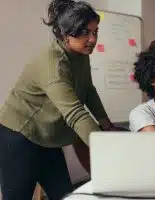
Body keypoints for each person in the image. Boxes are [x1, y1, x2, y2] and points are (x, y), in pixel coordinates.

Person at [0, 0, 121, 199]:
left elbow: (88, 90)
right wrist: (106, 150)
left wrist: (105, 123)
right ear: (65, 34)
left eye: (95, 31)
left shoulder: (81, 54)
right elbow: (75, 113)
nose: (92, 39)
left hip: (48, 139)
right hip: (19, 136)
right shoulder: (53, 65)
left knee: (64, 195)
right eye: (85, 32)